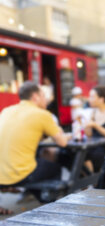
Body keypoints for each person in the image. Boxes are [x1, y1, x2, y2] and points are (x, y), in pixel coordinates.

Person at [0, 82, 69, 213]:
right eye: (43, 95)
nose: (46, 99)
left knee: (37, 158)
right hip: (18, 175)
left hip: (1, 174)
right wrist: (63, 133)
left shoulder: (6, 110)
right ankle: (52, 206)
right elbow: (62, 143)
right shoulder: (42, 114)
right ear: (35, 97)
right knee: (54, 167)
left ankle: (33, 194)